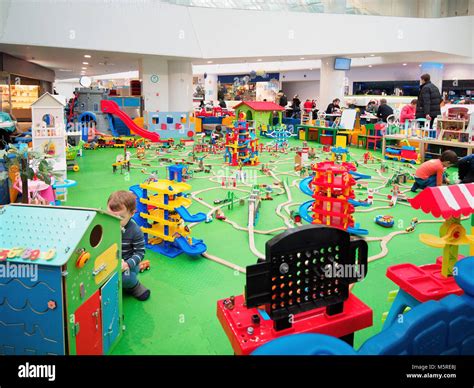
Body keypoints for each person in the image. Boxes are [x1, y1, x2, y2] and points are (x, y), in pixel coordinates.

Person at [107, 191, 150, 301]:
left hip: (127, 265)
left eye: (120, 217)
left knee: (126, 278)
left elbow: (140, 253)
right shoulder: (106, 225)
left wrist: (127, 264)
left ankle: (134, 286)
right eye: (111, 216)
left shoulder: (135, 231)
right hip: (109, 261)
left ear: (132, 213)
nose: (115, 220)